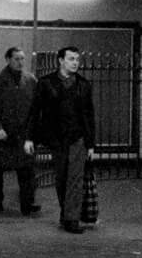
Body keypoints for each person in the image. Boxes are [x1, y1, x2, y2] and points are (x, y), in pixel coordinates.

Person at [29, 44, 95, 234]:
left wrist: (90, 144)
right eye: (71, 59)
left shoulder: (83, 85)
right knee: (61, 178)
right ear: (61, 61)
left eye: (77, 59)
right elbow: (35, 112)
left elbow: (89, 116)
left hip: (78, 138)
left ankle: (71, 219)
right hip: (56, 139)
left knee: (75, 178)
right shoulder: (46, 83)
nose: (75, 63)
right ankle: (66, 213)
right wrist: (29, 138)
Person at [0, 45, 40, 217]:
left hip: (22, 135)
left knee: (26, 170)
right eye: (17, 59)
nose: (21, 62)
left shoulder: (31, 80)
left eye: (22, 58)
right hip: (2, 135)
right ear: (7, 60)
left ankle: (27, 205)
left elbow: (36, 108)